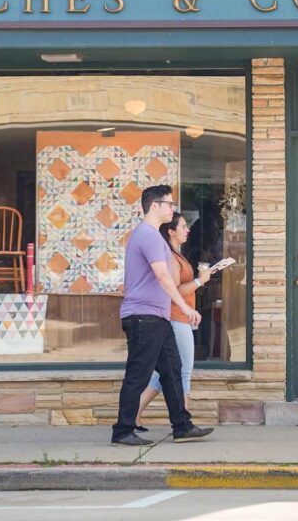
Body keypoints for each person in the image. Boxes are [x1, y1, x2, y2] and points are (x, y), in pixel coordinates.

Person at [110, 185, 214, 446]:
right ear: (154, 206)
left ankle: (182, 426)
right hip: (143, 316)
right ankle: (122, 431)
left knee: (173, 371)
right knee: (138, 373)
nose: (171, 208)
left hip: (157, 317)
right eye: (168, 203)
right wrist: (186, 307)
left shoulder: (150, 235)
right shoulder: (149, 236)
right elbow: (163, 276)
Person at [133, 213, 211, 431]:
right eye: (183, 227)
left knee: (167, 372)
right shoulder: (170, 257)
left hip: (181, 317)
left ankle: (134, 414)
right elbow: (174, 291)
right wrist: (199, 281)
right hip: (176, 317)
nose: (188, 230)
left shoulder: (178, 255)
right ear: (171, 231)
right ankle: (185, 424)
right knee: (183, 370)